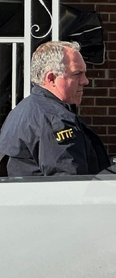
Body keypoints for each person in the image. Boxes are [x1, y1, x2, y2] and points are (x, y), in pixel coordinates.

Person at [0, 40, 109, 176]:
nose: (85, 81)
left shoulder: (23, 110)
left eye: (84, 73)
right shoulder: (55, 119)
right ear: (51, 78)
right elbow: (68, 181)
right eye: (77, 74)